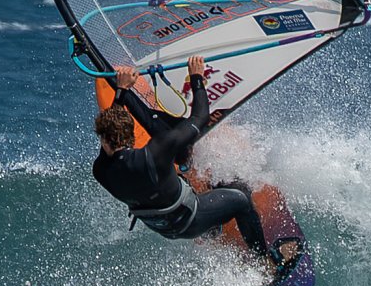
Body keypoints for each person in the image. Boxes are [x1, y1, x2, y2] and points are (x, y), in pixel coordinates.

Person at [92, 53, 282, 264]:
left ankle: (212, 229)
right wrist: (197, 77)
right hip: (189, 219)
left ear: (102, 138)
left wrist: (121, 91)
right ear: (130, 133)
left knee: (174, 181)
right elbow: (199, 118)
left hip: (161, 226)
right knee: (242, 199)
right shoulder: (155, 152)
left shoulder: (100, 170)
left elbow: (110, 131)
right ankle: (262, 260)